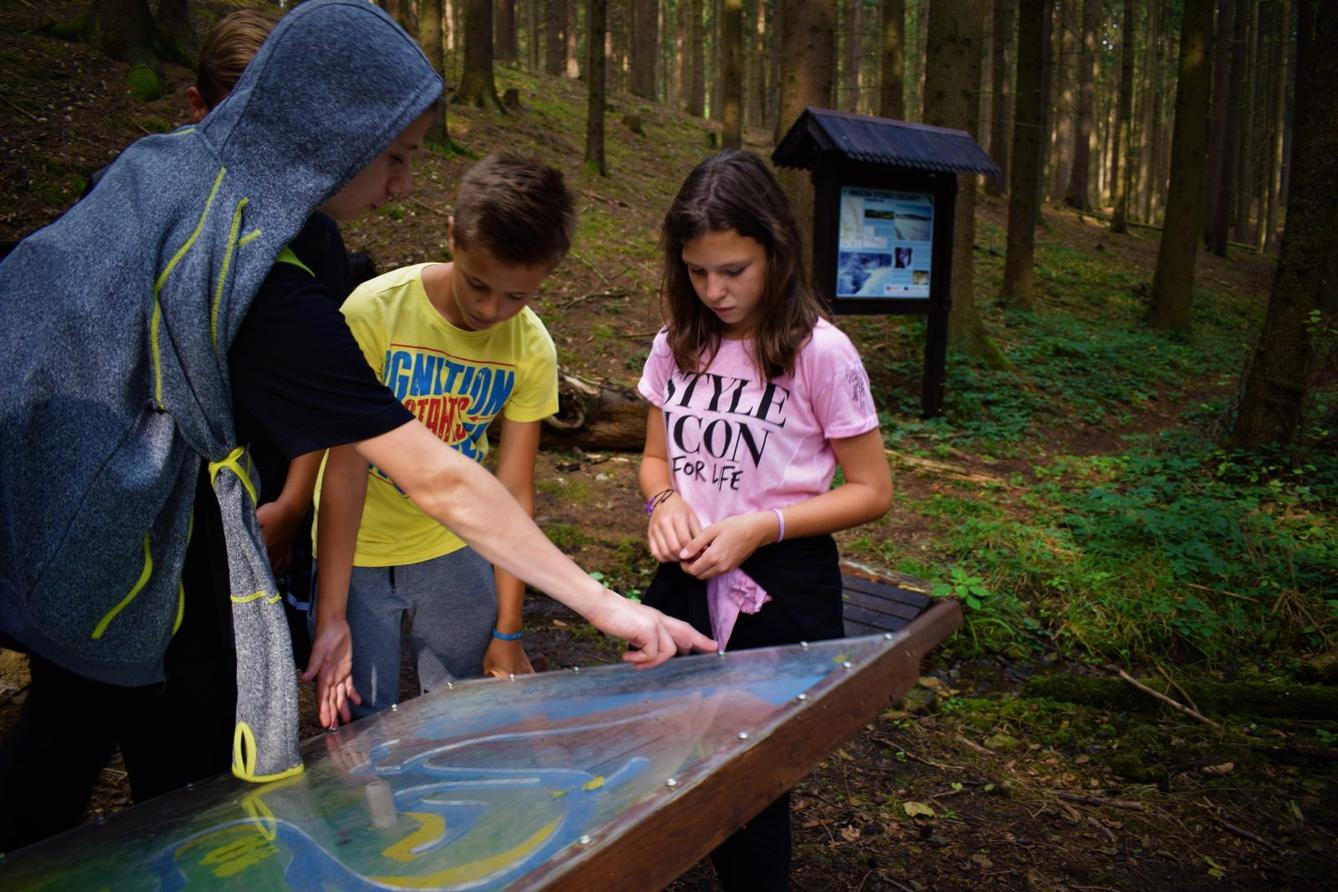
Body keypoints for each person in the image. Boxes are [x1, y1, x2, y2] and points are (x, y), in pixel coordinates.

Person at [0, 0, 712, 855]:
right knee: (185, 780)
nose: (406, 183)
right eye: (396, 156)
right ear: (327, 137)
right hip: (106, 538)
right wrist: (609, 607)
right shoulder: (262, 282)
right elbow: (438, 474)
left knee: (68, 731)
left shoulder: (176, 165)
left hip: (74, 509)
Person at [636, 150, 893, 890]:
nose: (714, 291)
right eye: (697, 271)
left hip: (783, 585)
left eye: (734, 270)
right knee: (662, 747)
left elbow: (873, 490)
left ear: (776, 252)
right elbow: (656, 462)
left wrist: (761, 526)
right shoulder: (676, 344)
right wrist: (666, 503)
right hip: (686, 574)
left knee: (750, 782)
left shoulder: (821, 353)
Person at [312, 152, 570, 716]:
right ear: (452, 237)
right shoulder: (375, 312)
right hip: (358, 549)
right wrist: (330, 613)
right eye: (478, 285)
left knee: (466, 709)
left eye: (516, 297)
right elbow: (345, 469)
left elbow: (514, 494)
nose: (490, 309)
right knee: (359, 718)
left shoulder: (530, 349)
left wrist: (509, 628)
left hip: (453, 542)